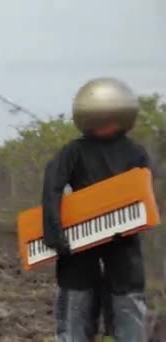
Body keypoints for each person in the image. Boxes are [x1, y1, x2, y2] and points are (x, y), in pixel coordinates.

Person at [42, 77, 150, 341]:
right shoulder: (74, 151)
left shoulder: (135, 153)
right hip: (79, 242)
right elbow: (52, 187)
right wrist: (55, 231)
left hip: (122, 241)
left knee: (127, 305)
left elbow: (142, 197)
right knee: (75, 305)